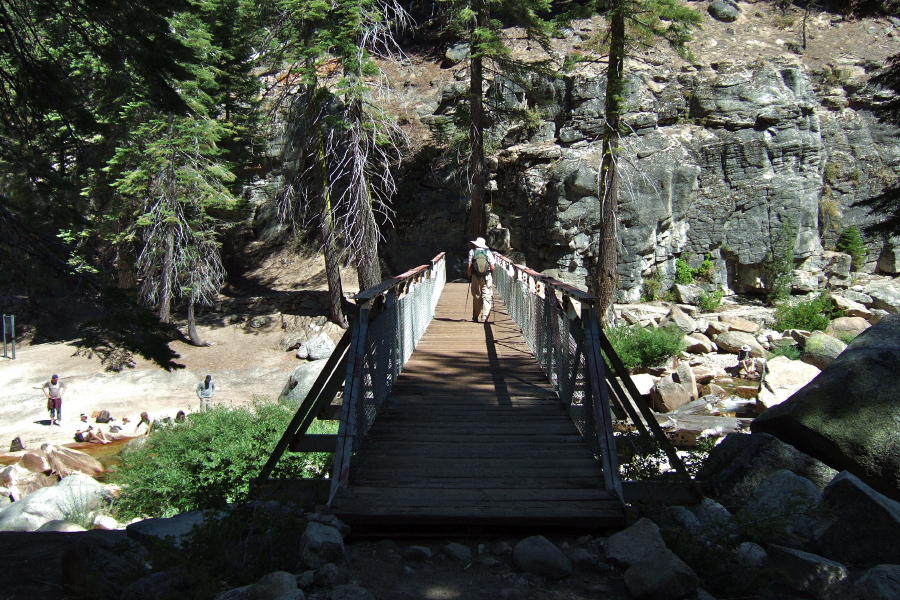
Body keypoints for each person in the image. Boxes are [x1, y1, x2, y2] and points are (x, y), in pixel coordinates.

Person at [467, 237, 496, 323]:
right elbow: (493, 267)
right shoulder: (488, 252)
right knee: (487, 296)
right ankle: (484, 316)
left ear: (476, 244)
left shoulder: (472, 252)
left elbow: (469, 265)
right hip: (487, 276)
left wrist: (469, 274)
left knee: (476, 295)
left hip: (475, 276)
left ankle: (475, 316)